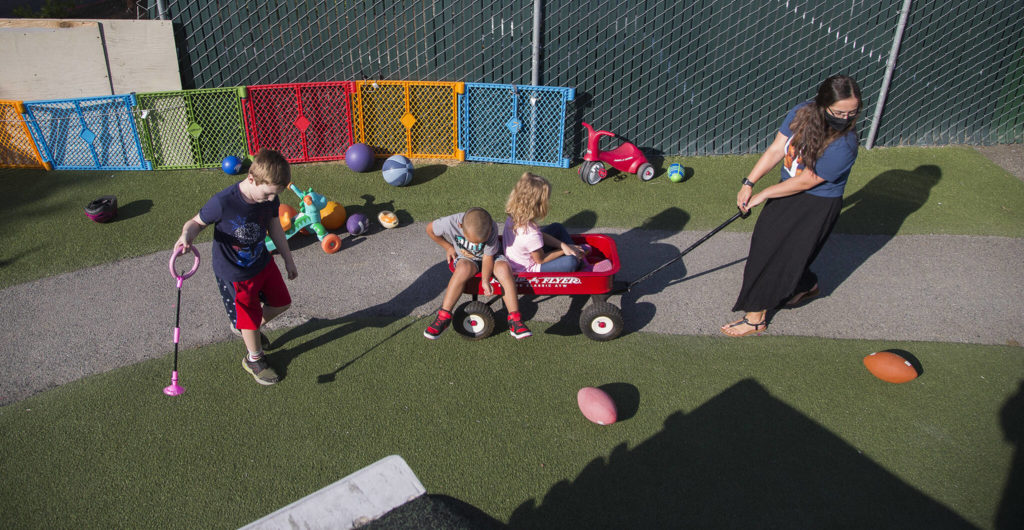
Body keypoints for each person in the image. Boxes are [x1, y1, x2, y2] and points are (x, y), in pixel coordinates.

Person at [722, 74, 862, 337]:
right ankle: (805, 286)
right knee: (774, 248)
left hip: (816, 205)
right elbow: (777, 149)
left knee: (772, 256)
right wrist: (749, 182)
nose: (845, 119)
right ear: (822, 103)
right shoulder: (801, 113)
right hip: (787, 191)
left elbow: (806, 182)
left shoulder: (845, 144)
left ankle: (756, 318)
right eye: (839, 112)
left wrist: (764, 195)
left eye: (852, 113)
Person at [174, 149, 298, 384]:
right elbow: (195, 223)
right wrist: (185, 237)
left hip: (262, 262)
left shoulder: (271, 196)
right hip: (236, 272)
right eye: (268, 194)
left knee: (282, 303)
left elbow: (275, 227)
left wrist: (288, 259)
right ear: (252, 179)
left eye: (276, 195)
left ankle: (246, 328)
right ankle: (254, 358)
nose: (272, 200)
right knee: (249, 318)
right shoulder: (223, 202)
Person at [424, 207, 531, 340]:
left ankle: (515, 320)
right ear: (460, 226)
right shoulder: (449, 222)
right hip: (466, 258)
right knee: (462, 269)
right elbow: (430, 229)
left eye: (479, 243)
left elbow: (488, 257)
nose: (476, 245)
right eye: (472, 241)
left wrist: (485, 280)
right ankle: (444, 316)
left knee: (503, 268)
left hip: (492, 257)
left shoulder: (490, 226)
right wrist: (449, 247)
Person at [503, 172, 586, 274]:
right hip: (527, 269)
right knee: (571, 261)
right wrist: (564, 250)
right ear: (538, 205)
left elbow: (539, 236)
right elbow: (540, 259)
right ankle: (580, 263)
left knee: (557, 227)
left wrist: (563, 245)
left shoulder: (513, 215)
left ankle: (576, 254)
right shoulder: (530, 233)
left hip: (519, 257)